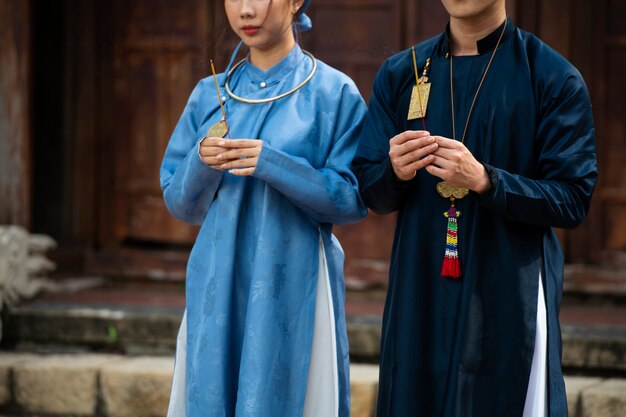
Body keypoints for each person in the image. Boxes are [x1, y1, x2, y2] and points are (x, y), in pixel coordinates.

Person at [352, 0, 597, 416]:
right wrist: (395, 171)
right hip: (420, 284)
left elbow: (573, 199)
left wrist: (486, 180)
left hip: (505, 287)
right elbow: (371, 191)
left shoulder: (551, 76)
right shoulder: (403, 72)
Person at [160, 0, 367, 415]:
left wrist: (273, 163)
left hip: (296, 276)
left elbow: (353, 198)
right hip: (218, 277)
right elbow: (179, 203)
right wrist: (201, 159)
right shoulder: (209, 94)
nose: (246, 10)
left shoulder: (333, 93)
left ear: (294, 2)